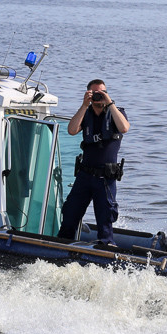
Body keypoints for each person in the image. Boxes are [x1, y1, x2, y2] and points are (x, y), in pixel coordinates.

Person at [57, 79, 130, 245]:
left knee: (105, 219)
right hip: (85, 176)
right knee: (70, 215)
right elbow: (71, 130)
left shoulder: (116, 113)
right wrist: (84, 105)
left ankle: (105, 249)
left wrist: (109, 102)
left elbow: (124, 128)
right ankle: (61, 247)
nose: (98, 97)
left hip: (105, 178)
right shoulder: (86, 113)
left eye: (102, 92)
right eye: (95, 93)